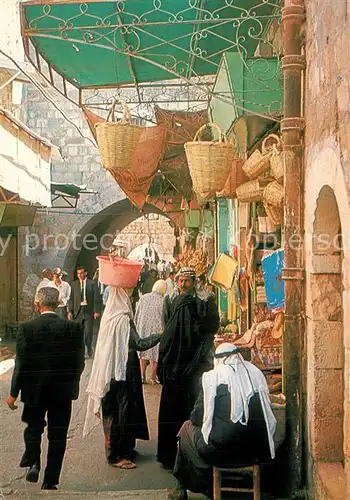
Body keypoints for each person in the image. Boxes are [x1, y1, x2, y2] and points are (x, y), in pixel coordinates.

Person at [167, 343, 277, 500]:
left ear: (218, 360)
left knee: (186, 428)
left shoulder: (213, 379)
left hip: (222, 452)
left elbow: (196, 417)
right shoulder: (255, 374)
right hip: (257, 451)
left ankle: (181, 488)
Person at [6, 287, 84, 491]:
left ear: (38, 304)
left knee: (33, 428)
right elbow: (79, 362)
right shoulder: (73, 328)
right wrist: (72, 384)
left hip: (34, 392)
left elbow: (20, 364)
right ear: (58, 304)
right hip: (61, 392)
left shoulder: (27, 328)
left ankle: (34, 461)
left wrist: (13, 393)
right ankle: (50, 481)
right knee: (58, 437)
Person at [83, 286, 161, 469]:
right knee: (122, 413)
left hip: (111, 372)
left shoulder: (110, 319)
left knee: (114, 412)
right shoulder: (123, 320)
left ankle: (122, 450)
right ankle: (117, 455)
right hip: (123, 372)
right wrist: (160, 335)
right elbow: (140, 344)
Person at [157, 267, 220, 469]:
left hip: (190, 368)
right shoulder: (173, 301)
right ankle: (174, 455)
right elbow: (169, 330)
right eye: (180, 281)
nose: (183, 285)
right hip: (178, 367)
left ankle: (188, 455)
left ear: (194, 283)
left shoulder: (202, 302)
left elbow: (207, 330)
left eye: (187, 281)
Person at [134, 279, 167, 384]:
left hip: (143, 327)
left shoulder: (143, 298)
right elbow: (165, 316)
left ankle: (142, 376)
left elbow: (137, 313)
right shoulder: (163, 300)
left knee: (142, 353)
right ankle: (153, 377)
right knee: (156, 354)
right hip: (157, 329)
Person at [68, 267, 101, 357]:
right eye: (78, 273)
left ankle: (89, 347)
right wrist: (70, 311)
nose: (80, 275)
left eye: (82, 273)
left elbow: (96, 298)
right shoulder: (74, 285)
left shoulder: (92, 284)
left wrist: (96, 311)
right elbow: (71, 299)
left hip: (88, 311)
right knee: (78, 332)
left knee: (87, 332)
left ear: (85, 273)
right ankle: (80, 351)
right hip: (77, 312)